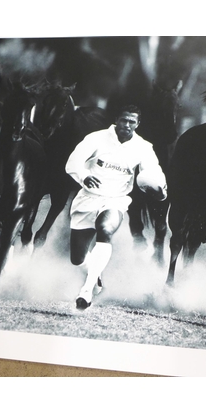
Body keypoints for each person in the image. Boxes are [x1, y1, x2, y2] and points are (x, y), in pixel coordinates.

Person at [65, 105, 167, 309]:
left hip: (116, 199)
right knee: (77, 259)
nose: (127, 125)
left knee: (105, 230)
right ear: (116, 120)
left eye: (132, 122)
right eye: (123, 120)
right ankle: (95, 275)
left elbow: (153, 172)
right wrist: (85, 176)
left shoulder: (143, 147)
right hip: (87, 198)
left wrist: (161, 191)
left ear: (138, 124)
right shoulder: (96, 138)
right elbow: (73, 162)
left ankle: (86, 290)